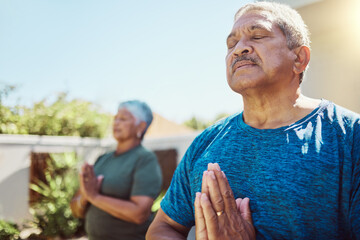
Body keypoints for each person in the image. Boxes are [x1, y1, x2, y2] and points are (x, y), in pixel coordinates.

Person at [146, 2, 360, 240]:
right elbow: (163, 228)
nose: (238, 49)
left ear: (299, 58)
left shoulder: (350, 136)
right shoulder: (205, 143)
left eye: (257, 36)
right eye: (231, 44)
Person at [70, 100, 162, 240]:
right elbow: (75, 208)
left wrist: (94, 197)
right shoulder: (103, 159)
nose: (116, 122)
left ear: (141, 126)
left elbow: (139, 214)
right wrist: (85, 197)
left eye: (123, 119)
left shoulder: (145, 159)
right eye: (115, 118)